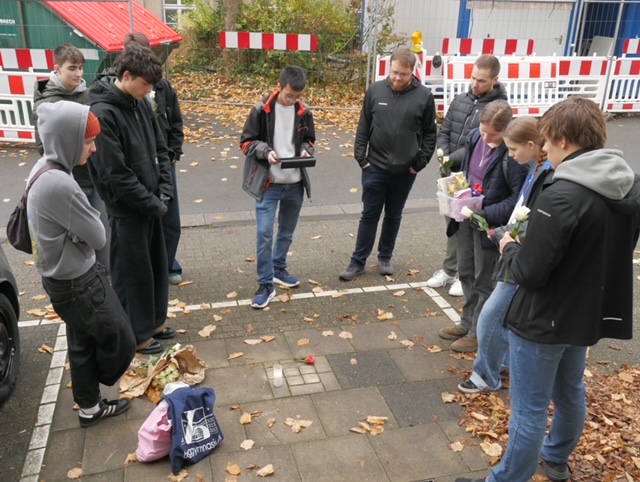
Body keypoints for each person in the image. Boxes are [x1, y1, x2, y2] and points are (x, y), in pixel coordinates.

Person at [458, 97, 640, 482]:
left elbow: (530, 272)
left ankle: (507, 478)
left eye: (547, 141)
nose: (545, 149)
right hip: (585, 313)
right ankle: (556, 458)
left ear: (562, 140)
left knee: (530, 409)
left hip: (543, 319)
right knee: (571, 391)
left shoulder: (561, 196)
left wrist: (509, 246)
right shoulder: (628, 187)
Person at [29, 101, 136, 427]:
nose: (94, 148)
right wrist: (81, 232)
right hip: (80, 283)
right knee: (122, 339)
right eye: (88, 141)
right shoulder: (61, 183)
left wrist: (77, 232)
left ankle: (89, 408)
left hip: (59, 279)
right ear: (68, 140)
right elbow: (99, 236)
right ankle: (100, 384)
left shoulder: (43, 167)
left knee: (81, 342)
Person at [89, 44, 175, 355]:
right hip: (127, 211)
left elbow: (160, 148)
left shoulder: (140, 103)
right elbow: (116, 174)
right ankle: (137, 336)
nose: (150, 91)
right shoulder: (103, 113)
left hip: (151, 203)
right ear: (126, 76)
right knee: (132, 274)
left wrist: (164, 189)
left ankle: (155, 323)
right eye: (146, 84)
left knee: (155, 267)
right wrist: (152, 202)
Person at [457, 116, 553, 394]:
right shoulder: (536, 168)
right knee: (505, 313)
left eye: (512, 149)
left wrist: (509, 236)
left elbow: (534, 215)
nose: (510, 155)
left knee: (491, 315)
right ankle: (504, 363)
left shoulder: (547, 173)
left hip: (520, 253)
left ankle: (485, 375)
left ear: (532, 145)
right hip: (513, 245)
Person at [339, 45, 437, 281]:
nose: (397, 78)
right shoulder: (375, 91)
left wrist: (419, 163)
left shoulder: (424, 97)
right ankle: (357, 262)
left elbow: (430, 134)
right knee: (369, 214)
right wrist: (361, 157)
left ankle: (385, 257)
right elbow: (363, 126)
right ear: (389, 68)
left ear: (412, 71)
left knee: (393, 215)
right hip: (374, 167)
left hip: (405, 170)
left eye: (403, 74)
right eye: (394, 72)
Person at [438, 100, 527, 353]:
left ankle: (478, 332)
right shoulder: (475, 136)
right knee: (466, 271)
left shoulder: (513, 155)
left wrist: (485, 213)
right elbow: (469, 170)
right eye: (483, 130)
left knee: (484, 279)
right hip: (467, 216)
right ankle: (466, 322)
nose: (487, 138)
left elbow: (516, 199)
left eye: (494, 134)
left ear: (506, 130)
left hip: (489, 224)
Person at [429, 54, 507, 297]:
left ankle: (463, 275)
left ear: (495, 80)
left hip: (473, 178)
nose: (475, 84)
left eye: (481, 81)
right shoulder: (460, 100)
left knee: (468, 227)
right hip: (451, 174)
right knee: (452, 223)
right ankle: (450, 269)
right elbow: (445, 129)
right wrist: (443, 153)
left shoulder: (497, 110)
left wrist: (452, 157)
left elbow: (478, 145)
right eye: (473, 78)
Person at [240, 66, 315, 309]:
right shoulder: (261, 110)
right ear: (280, 87)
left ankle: (279, 268)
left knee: (286, 232)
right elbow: (246, 143)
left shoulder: (304, 111)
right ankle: (265, 284)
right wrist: (265, 151)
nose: (293, 101)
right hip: (269, 183)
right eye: (289, 95)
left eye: (298, 96)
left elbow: (310, 140)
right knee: (264, 233)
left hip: (295, 183)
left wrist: (306, 150)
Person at [33, 44, 110, 271]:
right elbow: (44, 147)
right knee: (77, 243)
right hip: (70, 182)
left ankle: (105, 281)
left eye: (81, 68)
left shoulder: (87, 94)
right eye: (72, 68)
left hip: (94, 179)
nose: (78, 74)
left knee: (102, 238)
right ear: (57, 69)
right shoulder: (47, 103)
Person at [121, 32, 186, 286]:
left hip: (165, 163)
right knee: (144, 217)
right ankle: (146, 268)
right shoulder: (118, 94)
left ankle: (167, 264)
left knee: (170, 219)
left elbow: (176, 122)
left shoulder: (164, 87)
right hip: (137, 168)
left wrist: (173, 152)